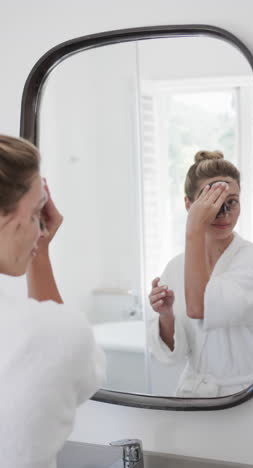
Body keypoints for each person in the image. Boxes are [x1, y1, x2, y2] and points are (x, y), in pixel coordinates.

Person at [0, 135, 105, 468]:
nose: (37, 229)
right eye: (34, 213)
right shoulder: (52, 332)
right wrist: (41, 253)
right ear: (6, 218)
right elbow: (84, 375)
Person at [148, 150, 253, 398]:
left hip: (248, 400)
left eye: (231, 201)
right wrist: (166, 315)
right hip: (195, 400)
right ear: (189, 204)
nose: (223, 212)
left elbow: (199, 307)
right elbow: (175, 355)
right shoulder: (176, 267)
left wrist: (194, 229)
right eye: (211, 201)